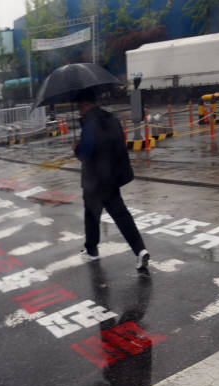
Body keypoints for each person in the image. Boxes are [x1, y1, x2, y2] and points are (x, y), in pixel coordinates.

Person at [72, 87, 150, 271]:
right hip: (112, 178)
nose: (78, 110)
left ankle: (91, 250)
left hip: (94, 181)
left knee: (91, 216)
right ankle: (140, 250)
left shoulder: (90, 124)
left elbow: (85, 153)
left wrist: (76, 148)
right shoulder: (110, 118)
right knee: (122, 216)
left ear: (84, 104)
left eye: (79, 107)